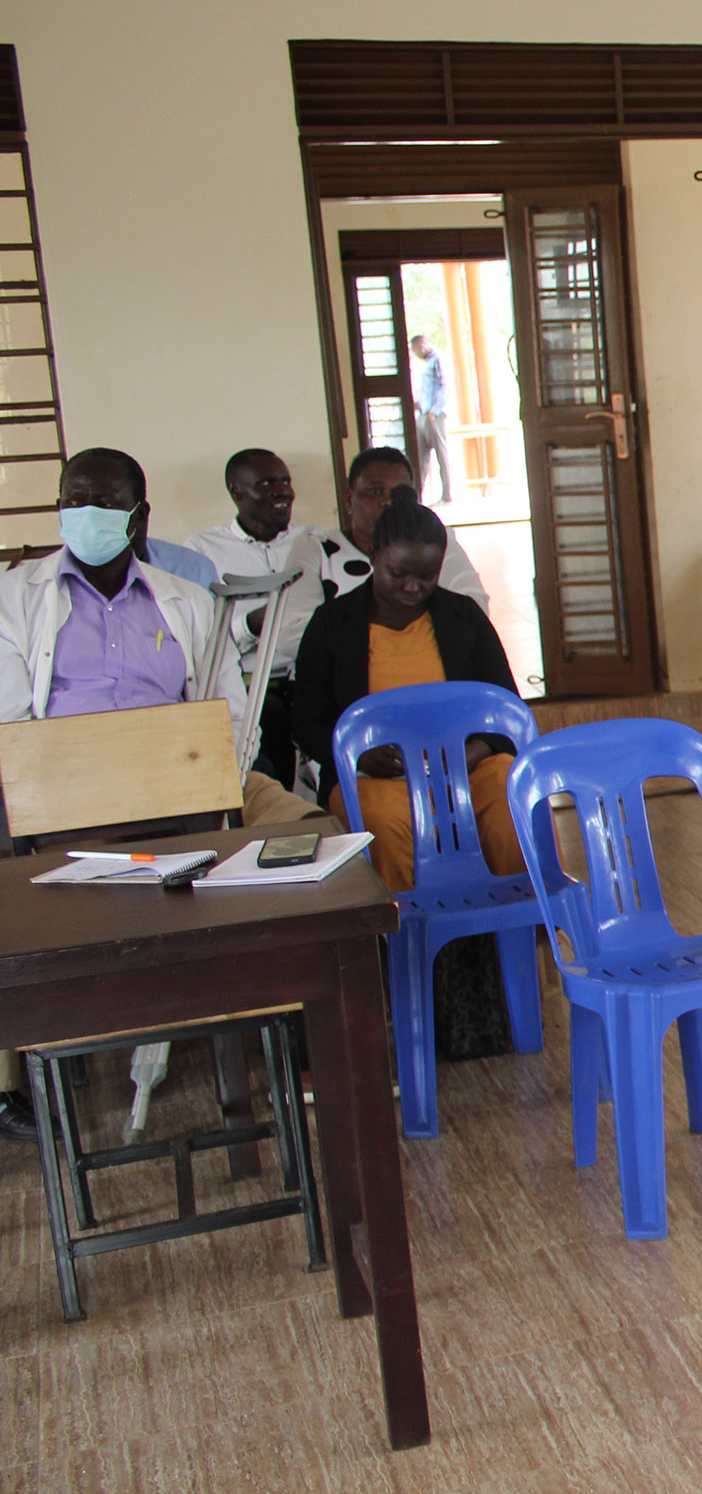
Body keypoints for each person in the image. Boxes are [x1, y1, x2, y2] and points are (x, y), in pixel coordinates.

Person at [0, 449, 321, 1143]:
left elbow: (232, 715)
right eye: (72, 500)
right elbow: (13, 725)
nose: (84, 514)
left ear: (137, 517)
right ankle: (33, 1075)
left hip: (183, 786)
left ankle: (294, 1035)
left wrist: (202, 776)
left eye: (103, 502)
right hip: (68, 797)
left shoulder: (185, 600)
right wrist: (104, 773)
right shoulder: (15, 596)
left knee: (307, 833)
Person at [291, 488, 523, 895]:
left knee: (510, 797)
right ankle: (402, 933)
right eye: (398, 574)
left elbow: (505, 706)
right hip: (375, 775)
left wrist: (476, 750)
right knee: (385, 822)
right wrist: (358, 753)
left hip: (464, 767)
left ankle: (521, 923)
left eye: (427, 576)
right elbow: (305, 721)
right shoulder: (332, 625)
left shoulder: (461, 617)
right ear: (373, 557)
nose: (413, 587)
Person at [185, 447, 316, 784]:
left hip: (312, 678)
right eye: (268, 483)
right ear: (237, 491)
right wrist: (253, 623)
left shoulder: (316, 541)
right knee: (266, 761)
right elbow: (199, 632)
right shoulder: (201, 552)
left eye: (285, 481)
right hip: (253, 686)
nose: (282, 491)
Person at [317, 448, 492, 613]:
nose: (387, 502)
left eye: (400, 494)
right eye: (376, 491)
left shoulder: (434, 544)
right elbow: (297, 630)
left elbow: (474, 606)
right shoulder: (319, 549)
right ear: (349, 498)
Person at [408, 332, 458, 505]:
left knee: (441, 455)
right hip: (421, 415)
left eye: (415, 350)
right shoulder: (424, 364)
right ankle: (417, 498)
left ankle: (447, 494)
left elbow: (444, 386)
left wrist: (435, 410)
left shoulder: (438, 359)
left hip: (433, 416)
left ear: (421, 345)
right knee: (420, 458)